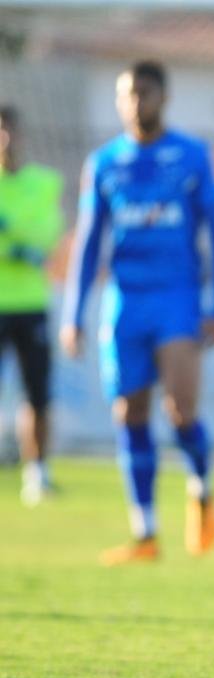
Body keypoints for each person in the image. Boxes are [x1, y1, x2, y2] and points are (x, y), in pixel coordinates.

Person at [60, 60, 214, 565]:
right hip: (125, 301)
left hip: (178, 298)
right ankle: (146, 534)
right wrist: (74, 314)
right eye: (127, 95)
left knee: (181, 411)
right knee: (128, 413)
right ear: (119, 101)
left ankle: (201, 486)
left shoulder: (192, 156)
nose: (136, 103)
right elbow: (90, 242)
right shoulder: (104, 163)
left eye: (145, 93)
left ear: (164, 97)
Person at [0, 105, 65, 506]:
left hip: (30, 303)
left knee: (37, 393)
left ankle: (36, 473)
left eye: (8, 132)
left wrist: (9, 230)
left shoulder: (43, 182)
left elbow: (47, 235)